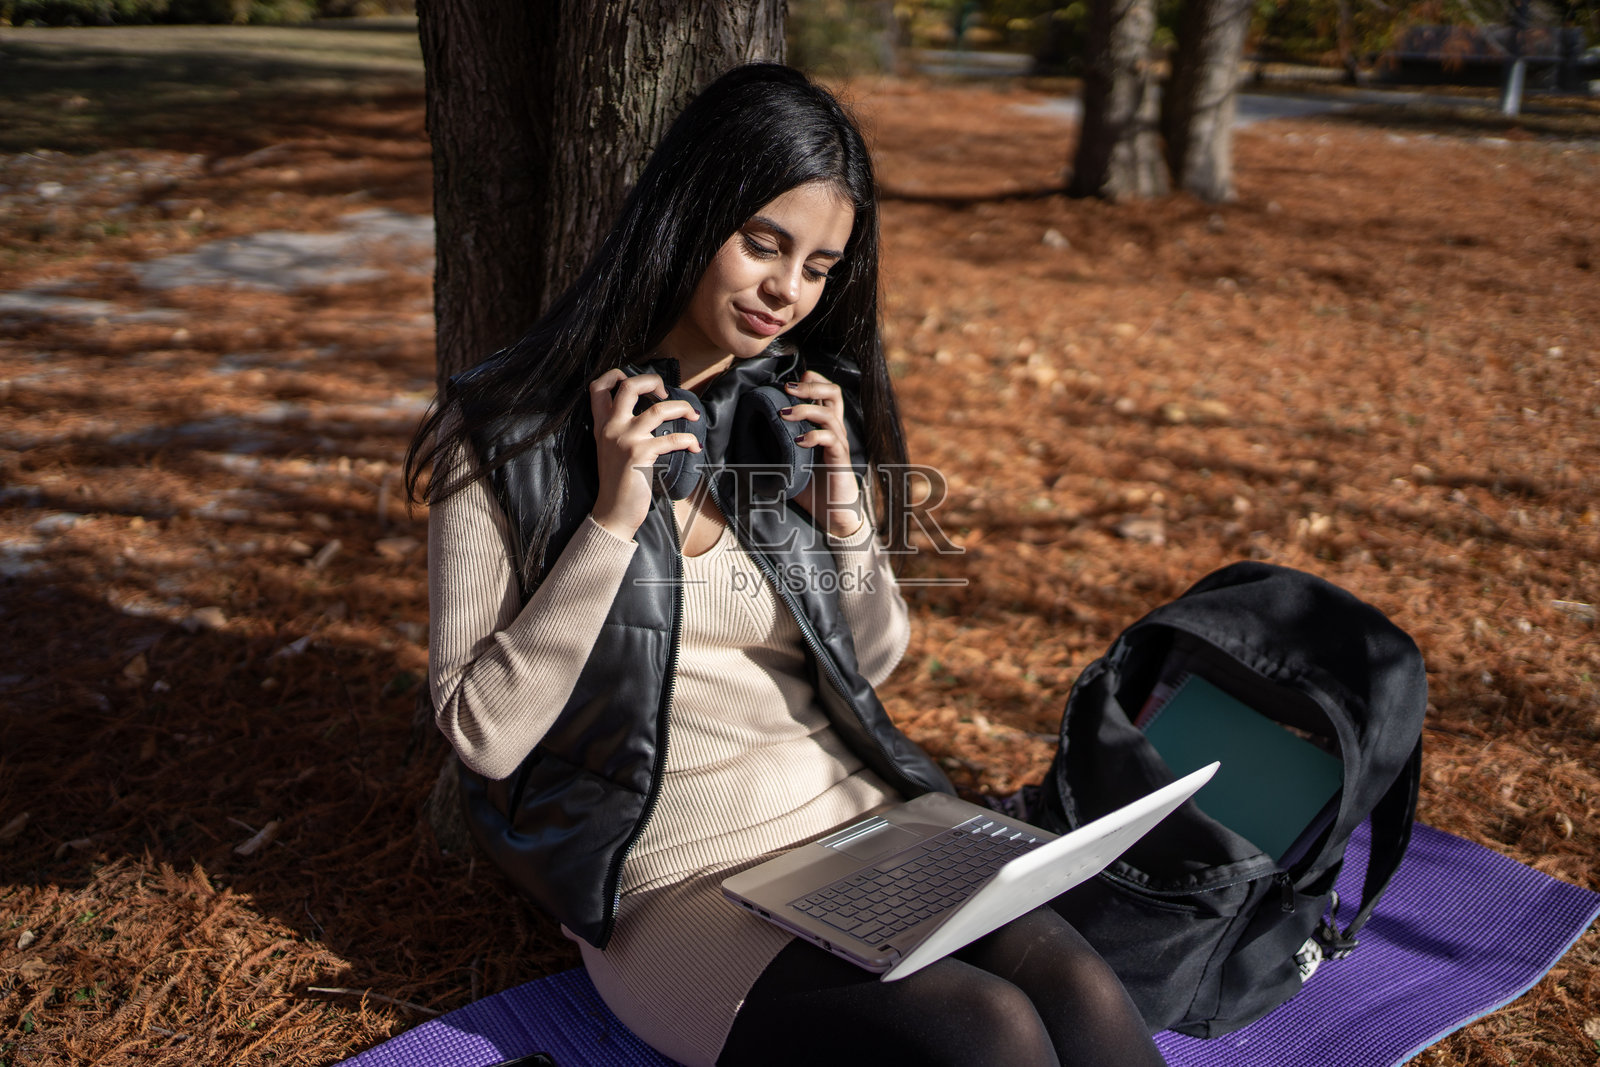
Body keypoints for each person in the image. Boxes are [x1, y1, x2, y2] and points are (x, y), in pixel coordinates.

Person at [406, 63, 1166, 1067]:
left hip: (865, 823)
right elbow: (482, 735)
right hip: (678, 879)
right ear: (687, 215)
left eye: (817, 266)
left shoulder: (780, 411)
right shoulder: (508, 437)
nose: (787, 290)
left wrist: (840, 499)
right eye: (763, 243)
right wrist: (610, 518)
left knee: (1078, 990)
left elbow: (877, 658)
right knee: (989, 1029)